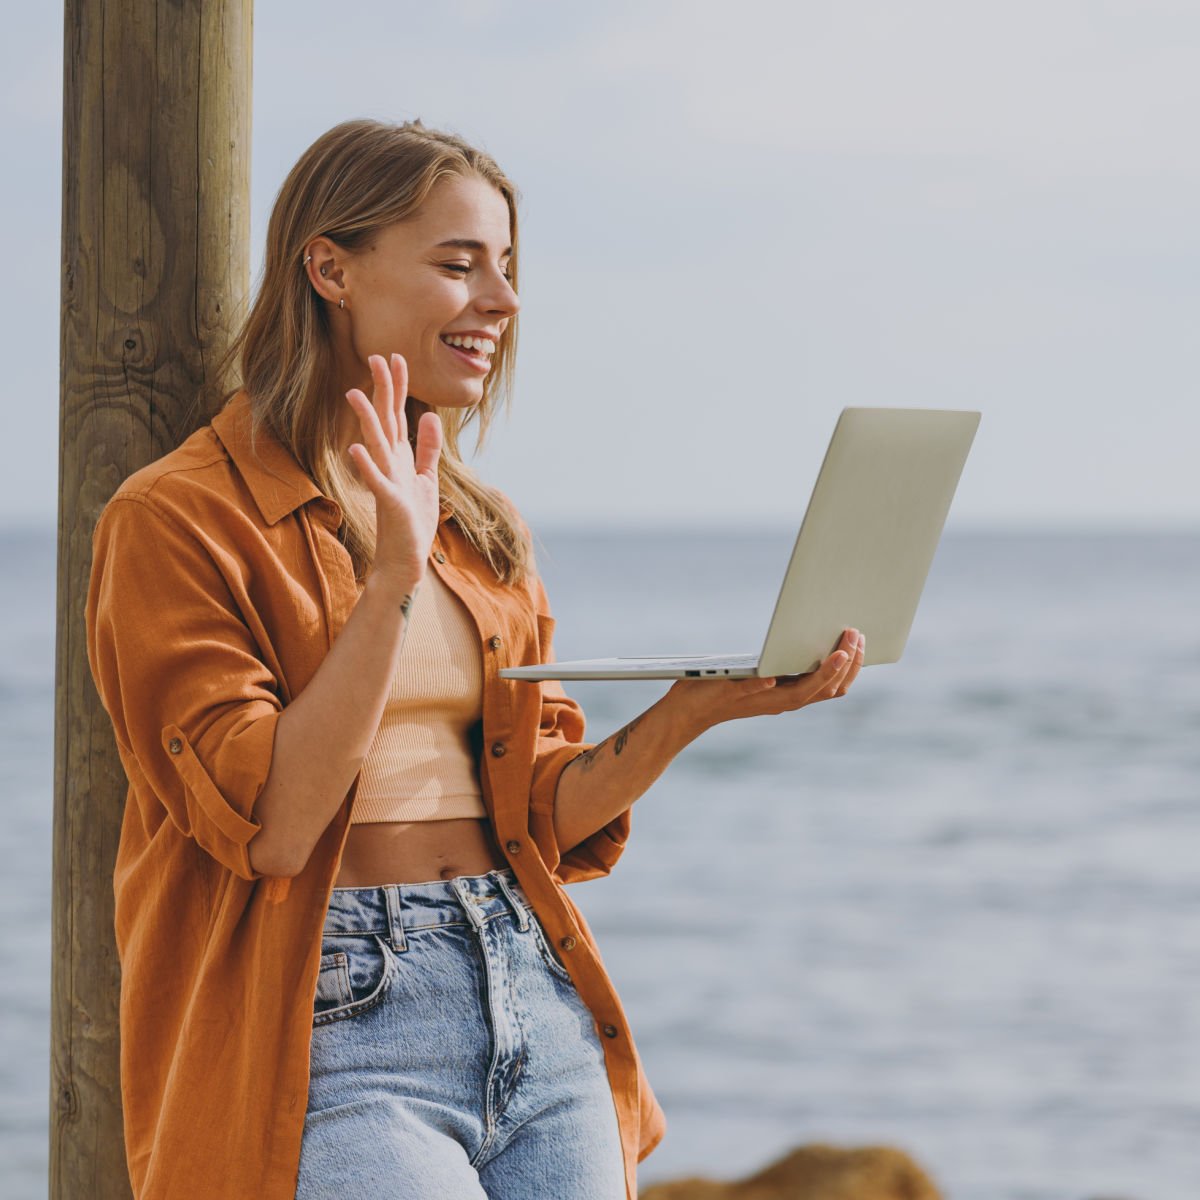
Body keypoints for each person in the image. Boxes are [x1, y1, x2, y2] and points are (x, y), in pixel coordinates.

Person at [85, 118, 866, 1200]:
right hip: (331, 1021)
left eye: (508, 269)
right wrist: (391, 582)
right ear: (331, 270)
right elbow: (272, 826)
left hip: (527, 983)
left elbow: (536, 811)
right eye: (459, 265)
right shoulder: (179, 520)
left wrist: (697, 711)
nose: (501, 301)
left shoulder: (481, 528)